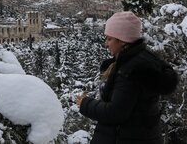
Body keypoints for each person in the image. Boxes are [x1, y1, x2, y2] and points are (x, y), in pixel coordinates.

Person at [76, 11, 178, 144]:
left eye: (109, 38)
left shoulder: (130, 71)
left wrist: (85, 103)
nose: (106, 43)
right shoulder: (144, 60)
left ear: (122, 40)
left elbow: (115, 113)